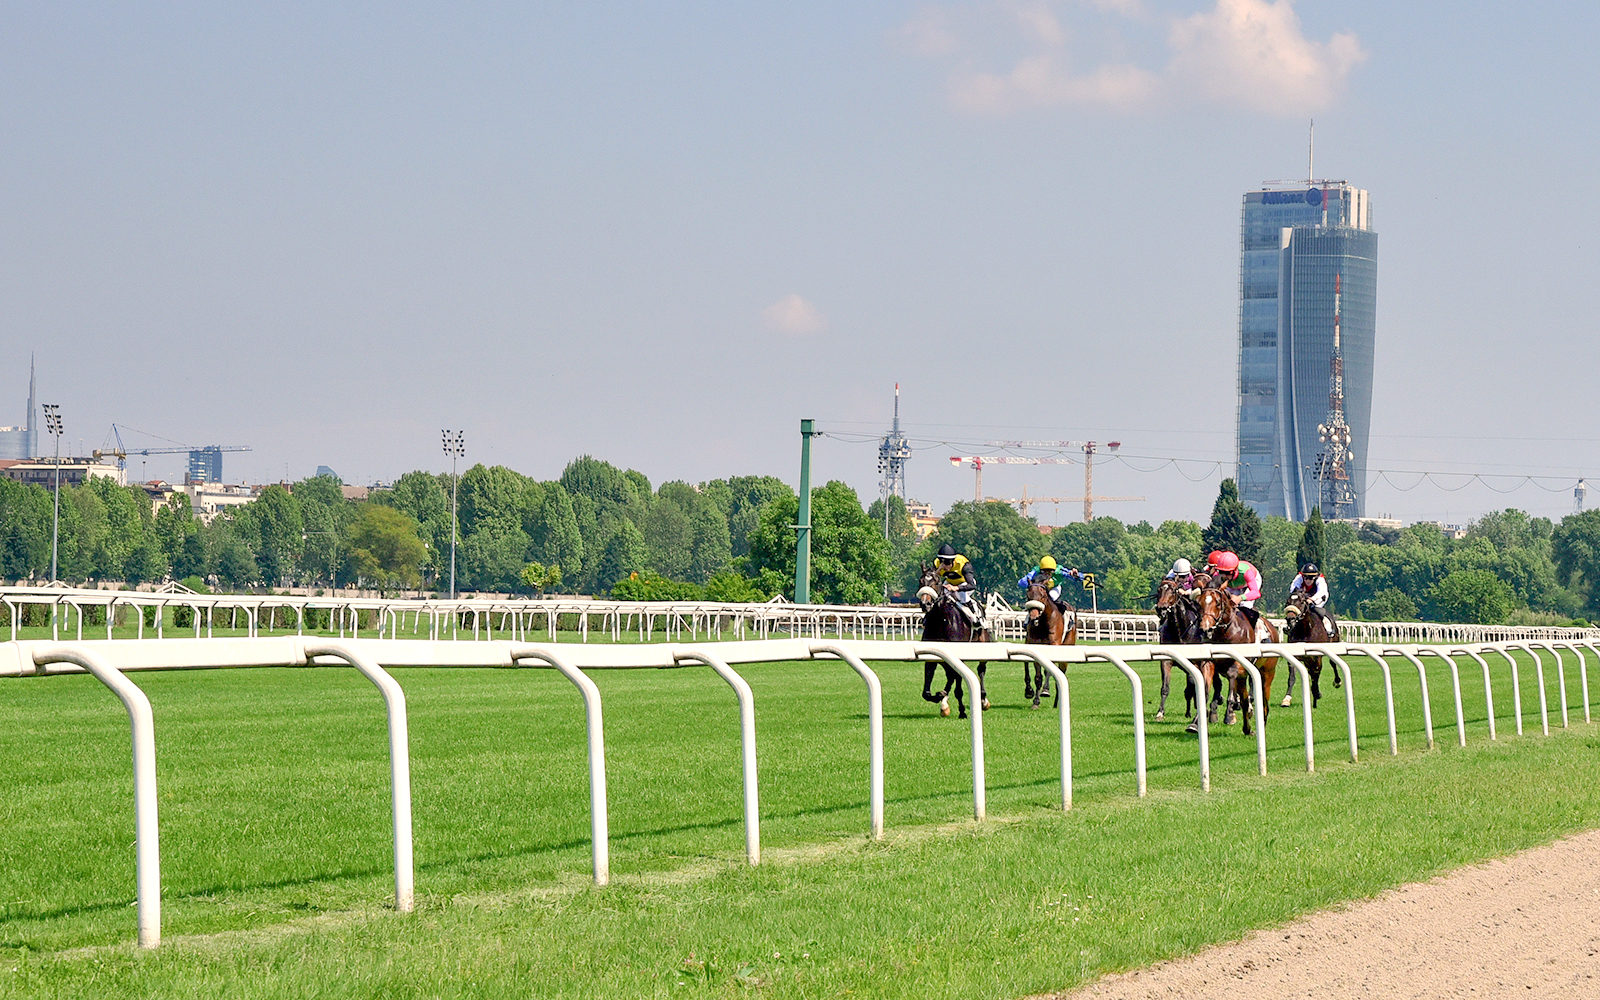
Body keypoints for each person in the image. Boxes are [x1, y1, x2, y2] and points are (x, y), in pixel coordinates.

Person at [1212, 550, 1269, 642]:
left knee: (1245, 606)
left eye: (1227, 573)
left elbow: (1256, 593)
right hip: (1234, 585)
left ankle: (1261, 632)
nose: (1223, 576)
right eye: (1221, 572)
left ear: (1234, 570)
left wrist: (1240, 598)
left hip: (1250, 581)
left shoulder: (1246, 572)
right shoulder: (1218, 574)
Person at [935, 542, 985, 632]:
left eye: (947, 563)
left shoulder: (963, 565)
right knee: (939, 596)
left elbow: (972, 586)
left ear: (953, 561)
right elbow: (933, 577)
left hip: (965, 584)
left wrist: (955, 588)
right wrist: (938, 569)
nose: (945, 567)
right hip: (949, 582)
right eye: (942, 563)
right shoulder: (937, 563)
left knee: (961, 595)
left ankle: (975, 617)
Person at [1018, 555, 1082, 616]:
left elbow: (1077, 576)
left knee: (1051, 597)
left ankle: (1066, 618)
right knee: (1034, 600)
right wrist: (1027, 580)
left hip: (1054, 588)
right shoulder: (1035, 571)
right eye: (1044, 571)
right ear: (1040, 570)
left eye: (1050, 572)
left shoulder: (1059, 570)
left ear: (1054, 570)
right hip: (1042, 589)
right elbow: (1021, 583)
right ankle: (1028, 620)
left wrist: (1076, 575)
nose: (1047, 574)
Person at [1291, 563, 1334, 631]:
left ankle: (1328, 628)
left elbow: (1321, 592)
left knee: (1316, 609)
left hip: (1319, 598)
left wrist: (1312, 599)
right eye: (1305, 578)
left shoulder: (1320, 579)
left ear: (1315, 577)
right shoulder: (1299, 577)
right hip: (1304, 597)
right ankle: (1290, 627)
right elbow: (1294, 588)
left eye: (1310, 578)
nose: (1308, 580)